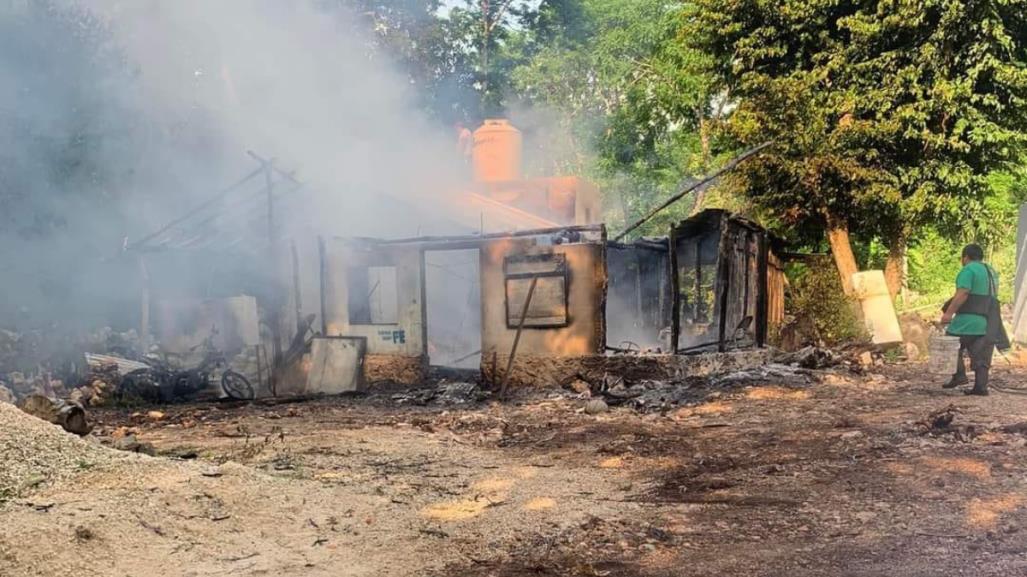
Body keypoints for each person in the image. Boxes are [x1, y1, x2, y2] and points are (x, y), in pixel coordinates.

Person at [940, 244, 1001, 396]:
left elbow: (963, 293)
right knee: (981, 353)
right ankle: (980, 387)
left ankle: (959, 375)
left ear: (965, 257)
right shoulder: (991, 271)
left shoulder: (968, 270)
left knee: (950, 343)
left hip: (967, 319)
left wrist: (948, 313)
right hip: (987, 320)